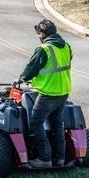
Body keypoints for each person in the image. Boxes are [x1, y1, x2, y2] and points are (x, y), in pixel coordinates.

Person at [18, 19, 72, 169]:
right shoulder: (66, 47)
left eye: (39, 33)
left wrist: (22, 78)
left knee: (35, 122)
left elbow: (31, 69)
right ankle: (59, 158)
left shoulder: (44, 49)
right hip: (63, 92)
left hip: (49, 93)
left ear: (42, 33)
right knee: (57, 123)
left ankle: (44, 158)